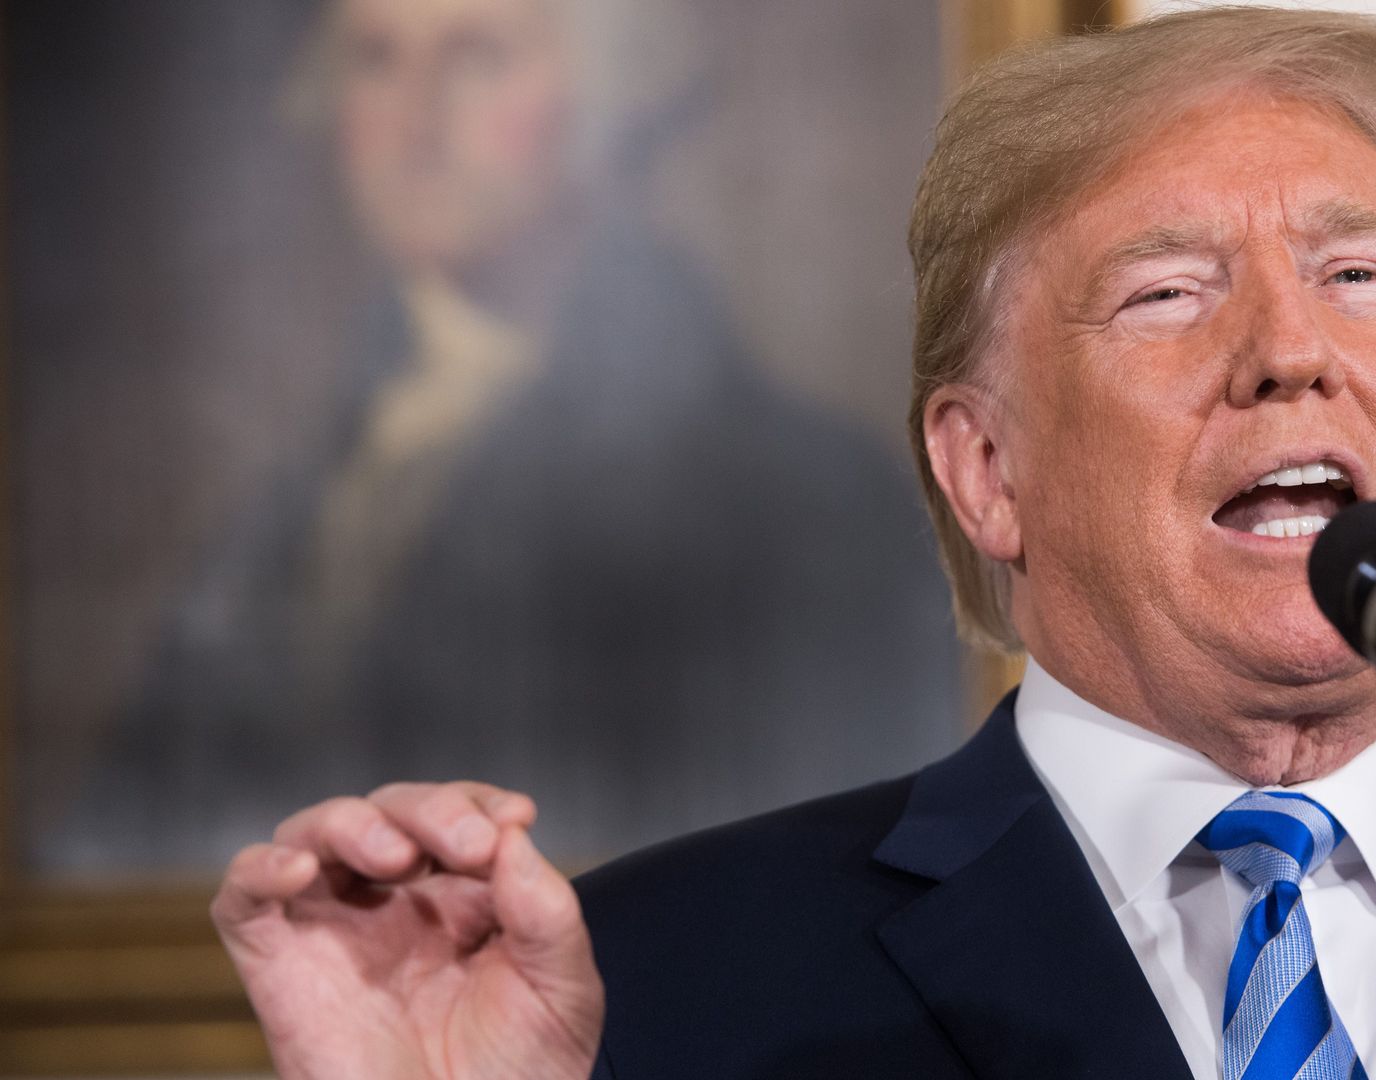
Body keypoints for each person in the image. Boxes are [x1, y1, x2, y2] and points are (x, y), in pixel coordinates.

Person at [210, 7, 1376, 1078]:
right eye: (1169, 291)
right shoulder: (640, 1002)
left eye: (1360, 275)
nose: (1289, 347)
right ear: (985, 470)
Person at [62, 0, 959, 871]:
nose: (415, 118)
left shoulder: (801, 496)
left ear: (607, 95)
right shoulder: (300, 496)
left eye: (477, 56)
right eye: (375, 58)